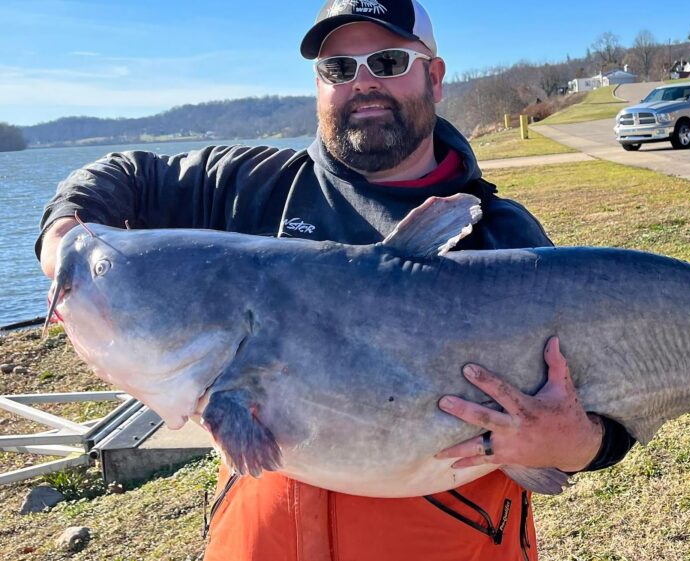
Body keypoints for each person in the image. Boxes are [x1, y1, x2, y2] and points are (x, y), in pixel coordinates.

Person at [37, 1, 635, 559]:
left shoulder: (505, 238)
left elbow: (607, 404)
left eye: (389, 62)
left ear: (435, 75)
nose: (363, 82)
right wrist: (65, 236)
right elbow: (122, 175)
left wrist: (576, 443)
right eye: (339, 67)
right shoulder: (252, 184)